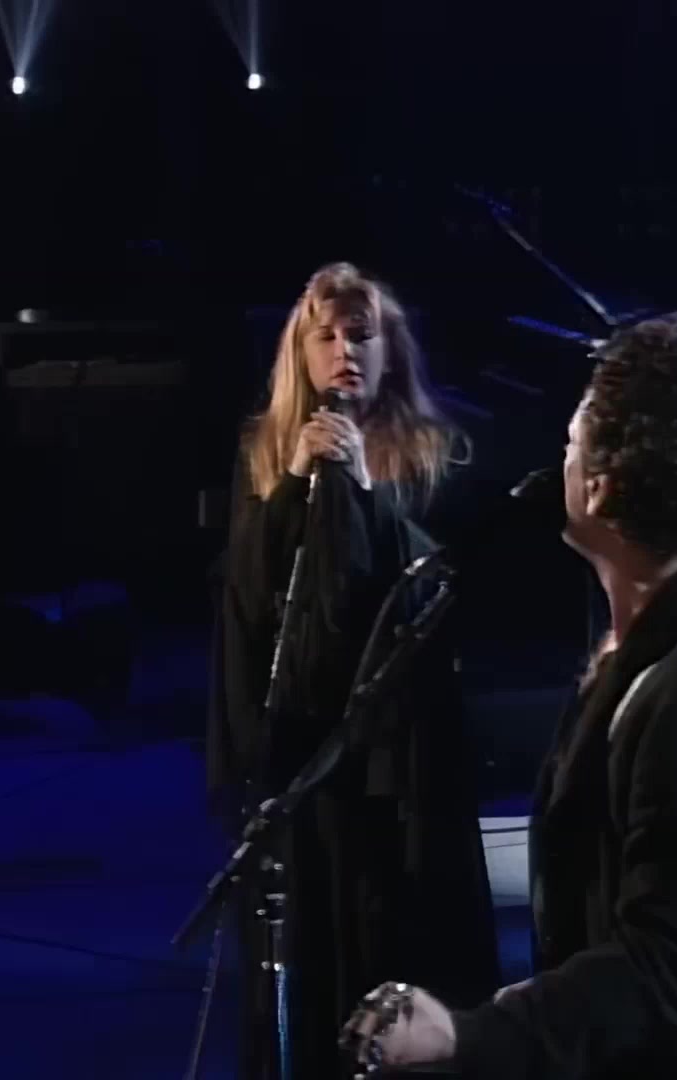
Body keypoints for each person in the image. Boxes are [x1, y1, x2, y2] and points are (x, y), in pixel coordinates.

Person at [341, 322, 677, 1080]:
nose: (559, 460)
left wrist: (469, 1036)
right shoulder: (660, 633)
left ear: (604, 484)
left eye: (572, 442)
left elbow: (666, 960)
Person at [206, 262, 499, 1079]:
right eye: (326, 337)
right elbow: (247, 597)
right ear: (300, 354)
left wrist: (366, 491)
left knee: (395, 924)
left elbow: (435, 587)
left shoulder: (437, 450)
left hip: (398, 746)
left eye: (360, 337)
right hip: (305, 744)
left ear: (390, 350)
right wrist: (296, 486)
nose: (343, 353)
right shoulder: (265, 452)